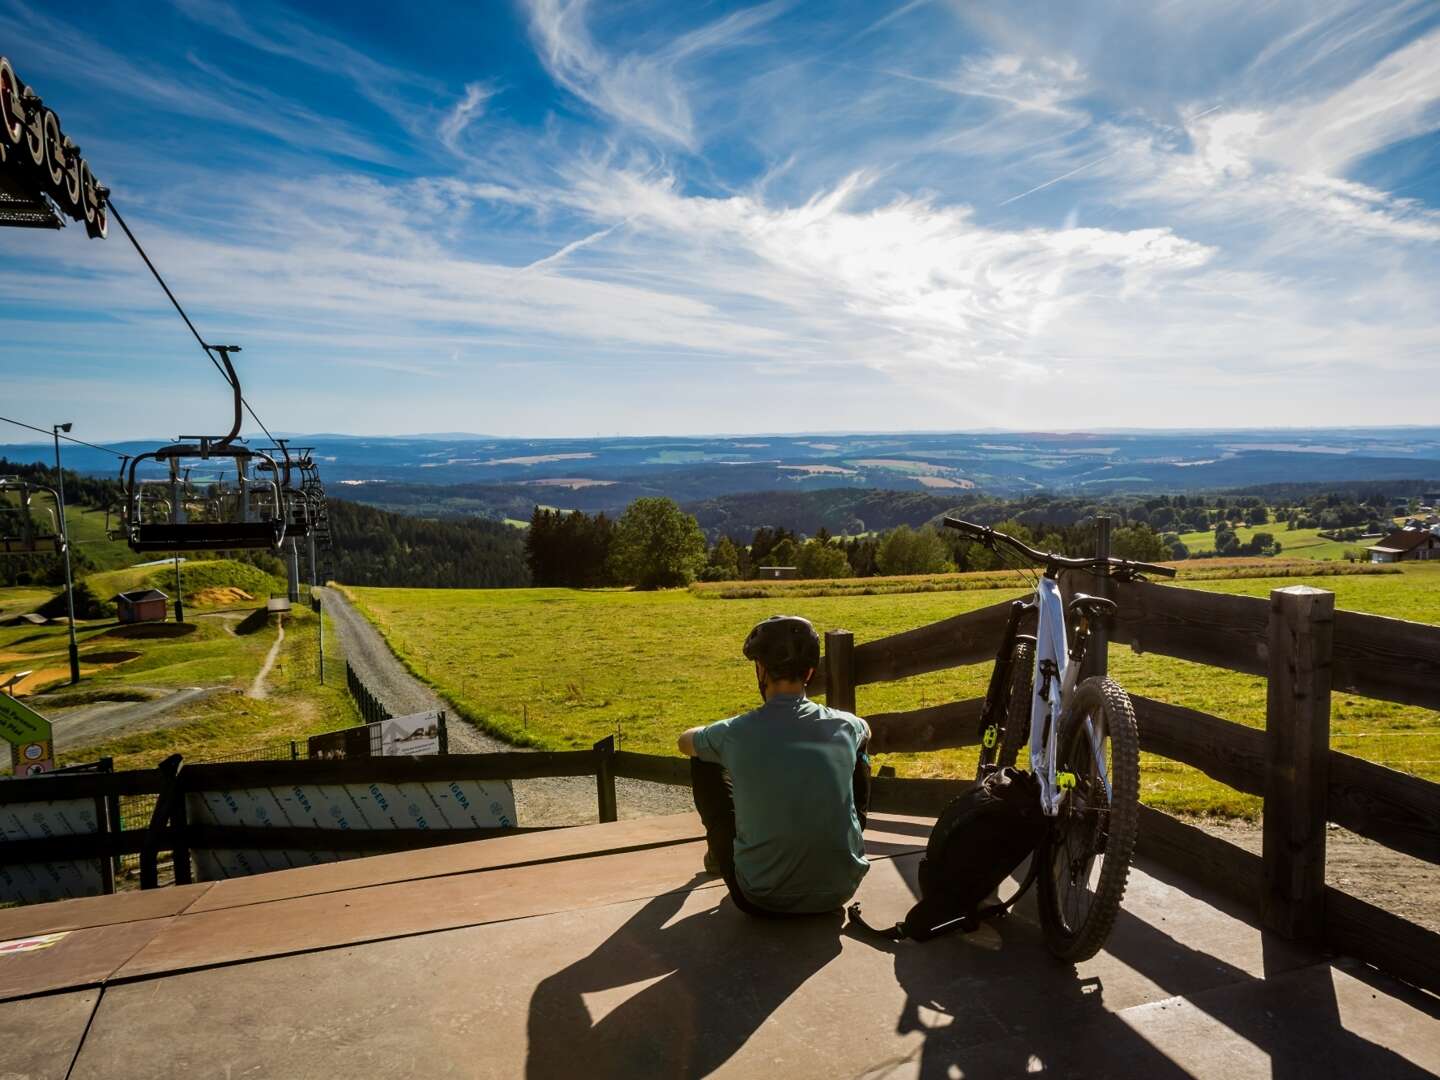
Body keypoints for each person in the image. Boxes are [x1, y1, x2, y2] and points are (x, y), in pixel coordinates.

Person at [677, 615, 872, 917]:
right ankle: (840, 850)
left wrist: (714, 735)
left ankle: (719, 854)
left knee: (702, 757)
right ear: (809, 672)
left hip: (759, 896)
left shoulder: (735, 733)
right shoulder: (847, 725)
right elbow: (865, 731)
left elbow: (684, 742)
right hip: (840, 890)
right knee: (859, 753)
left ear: (760, 670)